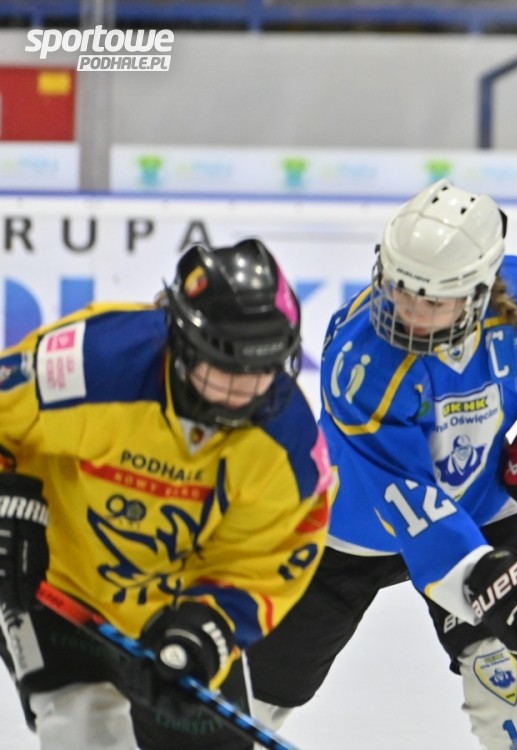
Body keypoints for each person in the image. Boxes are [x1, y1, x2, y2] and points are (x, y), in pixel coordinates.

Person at [235, 179, 517, 750]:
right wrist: (491, 587)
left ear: (479, 290)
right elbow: (411, 505)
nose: (409, 312)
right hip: (350, 528)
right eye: (401, 289)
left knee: (506, 676)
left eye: (433, 300)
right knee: (263, 692)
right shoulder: (361, 362)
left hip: (475, 508)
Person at [0, 239, 332, 750]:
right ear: (183, 344)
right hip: (55, 585)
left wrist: (210, 629)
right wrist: (8, 501)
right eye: (223, 367)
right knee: (82, 729)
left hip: (175, 609)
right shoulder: (92, 363)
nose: (242, 392)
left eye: (261, 370)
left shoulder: (289, 446)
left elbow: (271, 559)